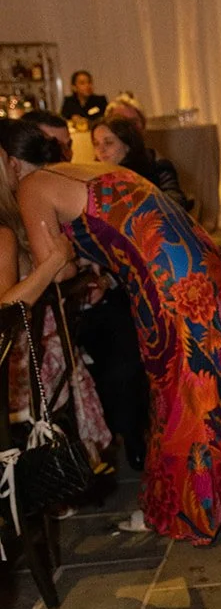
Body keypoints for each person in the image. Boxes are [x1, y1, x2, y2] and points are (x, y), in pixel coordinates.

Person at [1, 118, 221, 545]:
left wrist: (54, 262)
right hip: (196, 263)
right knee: (212, 389)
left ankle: (192, 514)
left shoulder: (32, 186)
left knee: (182, 397)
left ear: (9, 160)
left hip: (167, 279)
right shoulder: (78, 169)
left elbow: (58, 269)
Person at [0, 141, 112, 462]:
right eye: (8, 160)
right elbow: (5, 310)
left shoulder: (14, 223)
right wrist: (55, 261)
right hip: (18, 368)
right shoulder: (6, 232)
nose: (15, 166)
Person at [92, 116, 191, 210]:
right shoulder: (94, 177)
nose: (101, 150)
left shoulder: (156, 165)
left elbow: (174, 201)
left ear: (127, 145)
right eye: (96, 144)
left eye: (108, 142)